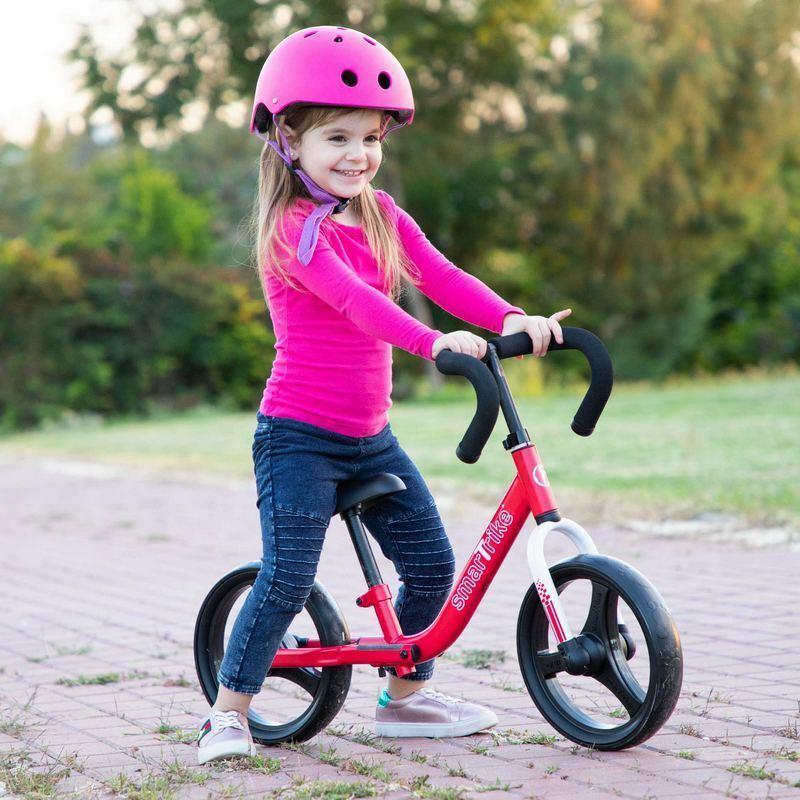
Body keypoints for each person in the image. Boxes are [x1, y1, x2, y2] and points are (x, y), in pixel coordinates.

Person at [197, 24, 571, 764]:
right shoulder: (292, 231)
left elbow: (442, 276)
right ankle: (227, 713)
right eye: (337, 137)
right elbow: (357, 303)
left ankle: (404, 698)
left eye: (370, 138)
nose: (358, 155)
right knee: (288, 576)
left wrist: (508, 318)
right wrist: (433, 344)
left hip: (370, 437)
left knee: (432, 566)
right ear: (288, 141)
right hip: (298, 437)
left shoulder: (382, 214)